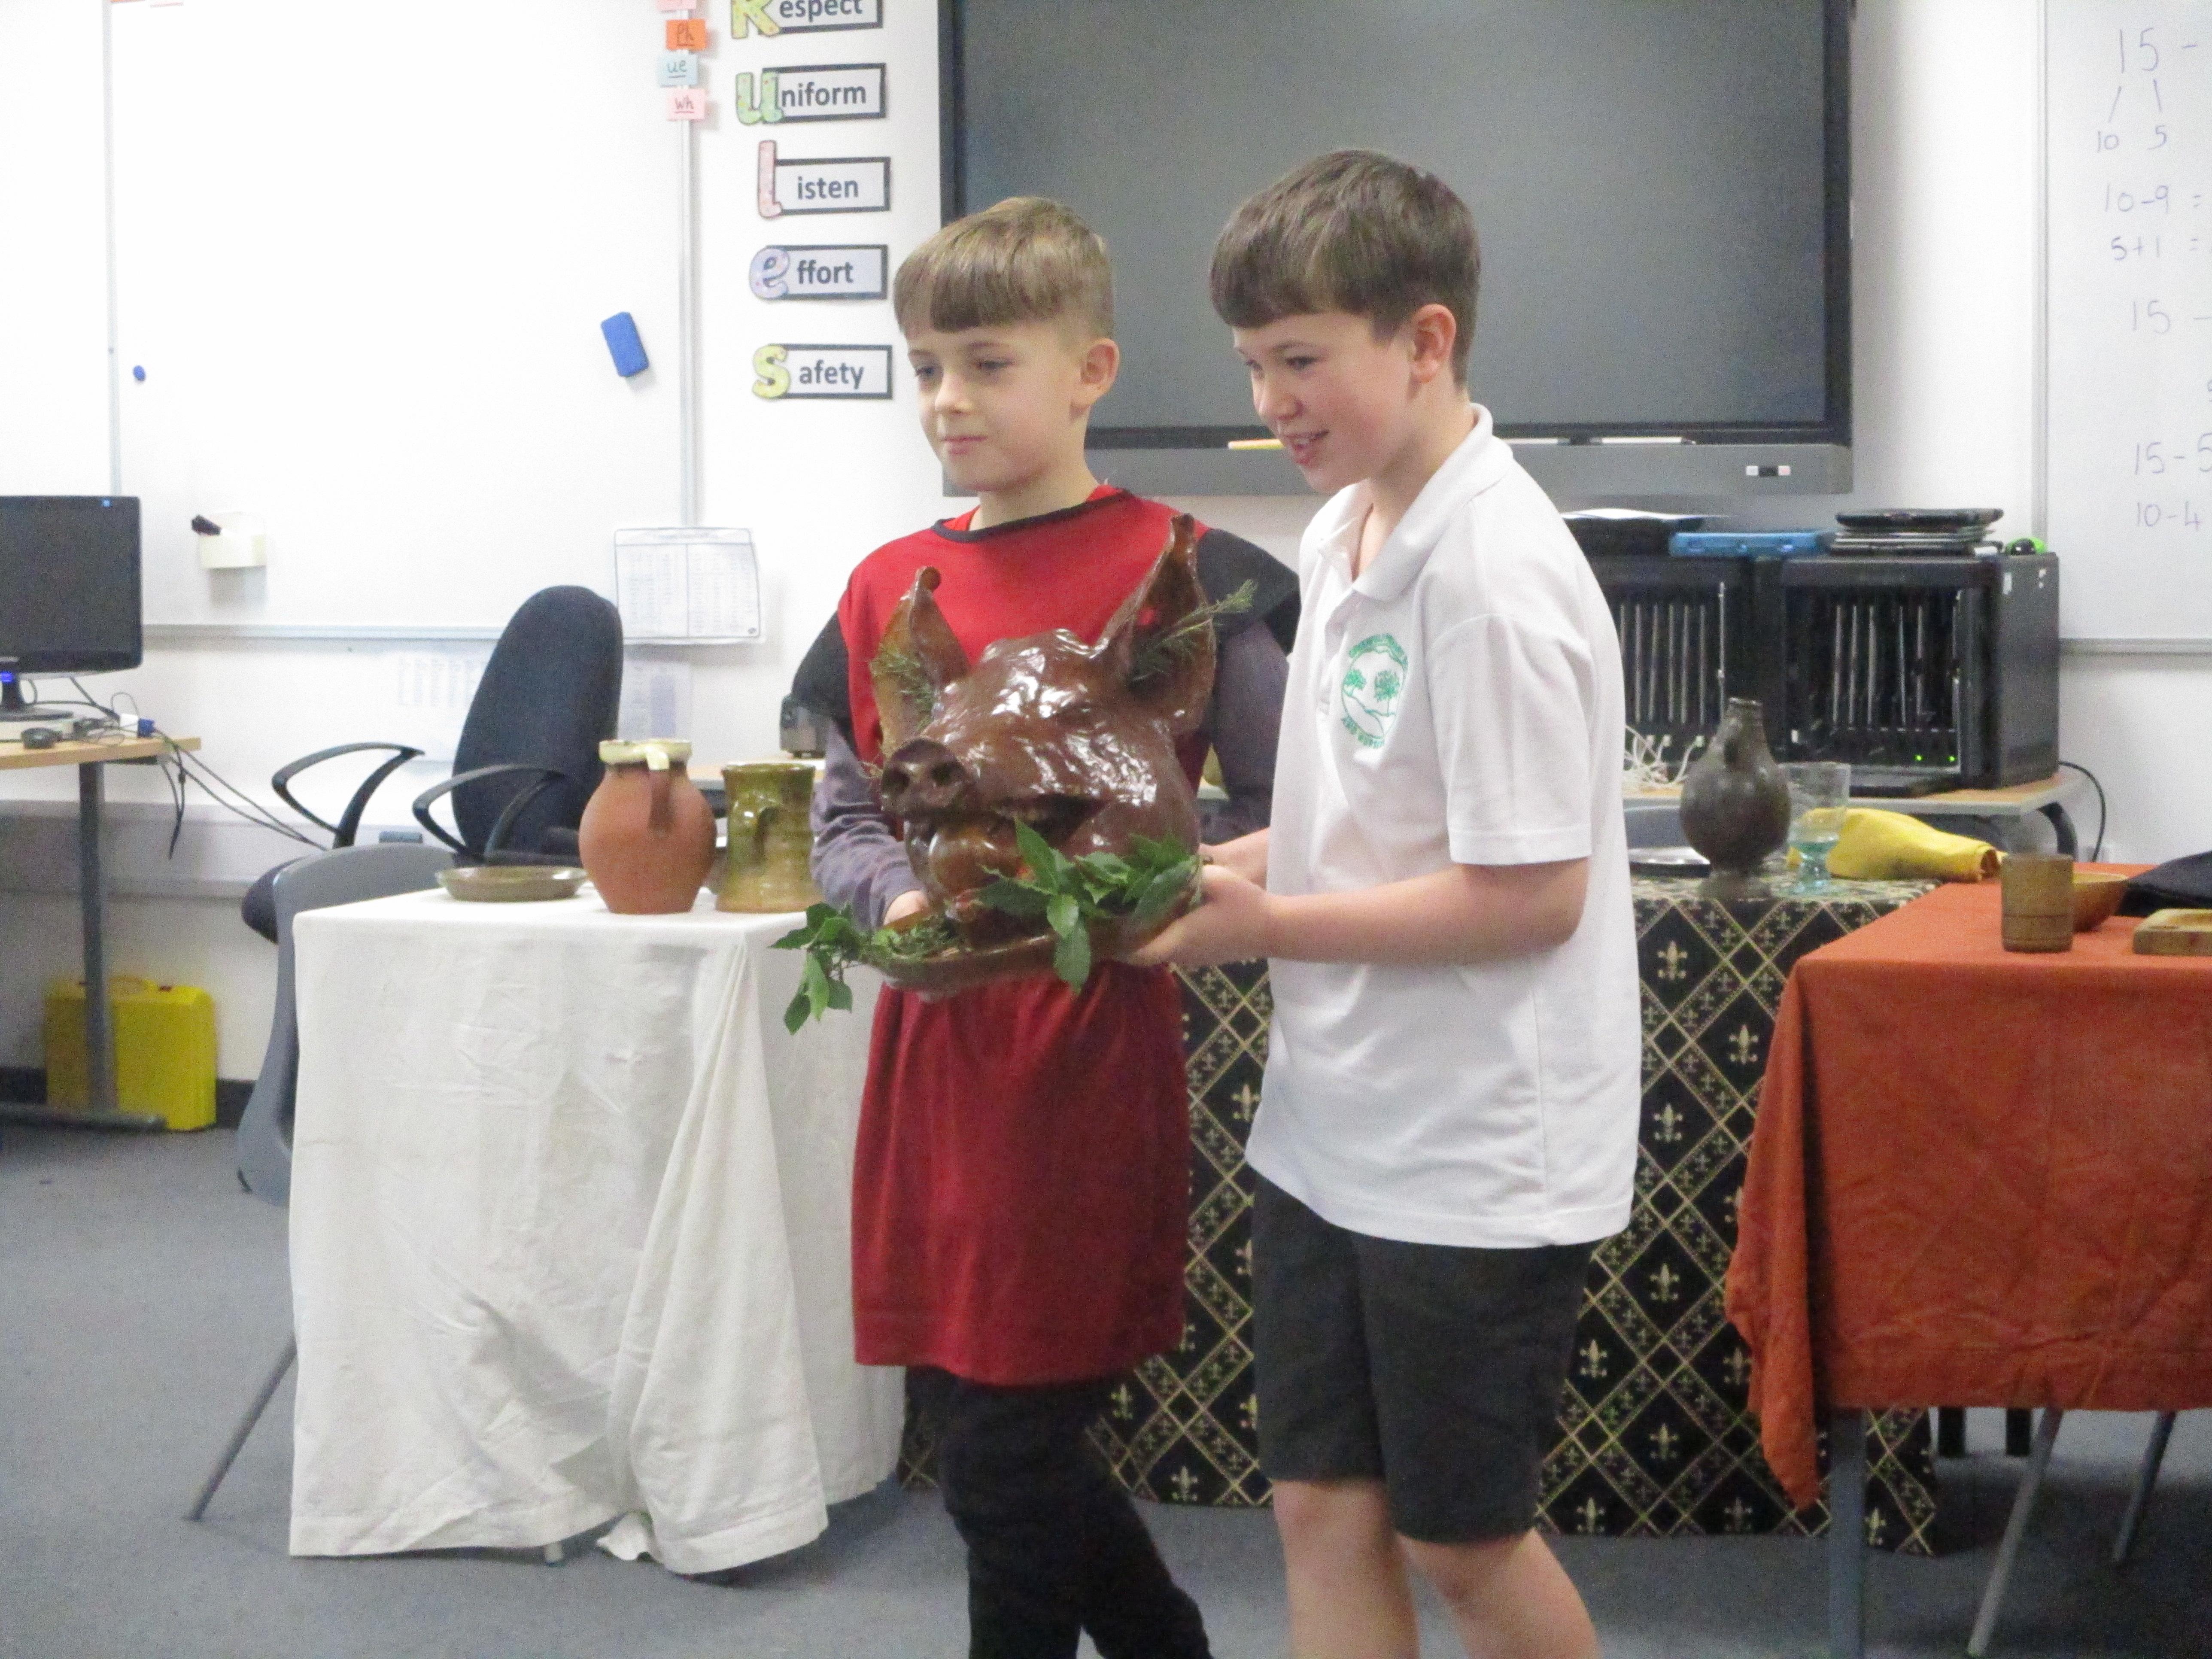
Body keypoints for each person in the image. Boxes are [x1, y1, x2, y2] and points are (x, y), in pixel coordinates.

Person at [1131, 150, 1638, 1659]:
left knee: (1462, 1542)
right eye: (1253, 365)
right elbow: (1343, 827)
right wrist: (1209, 875)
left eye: (1301, 361)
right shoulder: (1344, 530)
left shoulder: (1495, 575)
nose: (1272, 402)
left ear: (1425, 342)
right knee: (1322, 1514)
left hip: (1471, 1151)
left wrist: (1265, 926)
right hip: (1332, 1126)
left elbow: (1530, 897)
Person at [791, 194, 1295, 1659]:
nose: (948, 400)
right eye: (926, 368)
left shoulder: (1194, 569)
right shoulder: (888, 587)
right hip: (937, 1063)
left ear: (1091, 372)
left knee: (1011, 1451)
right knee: (974, 1433)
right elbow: (848, 820)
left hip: (1087, 1057)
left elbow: (1289, 807)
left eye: (988, 364)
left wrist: (1152, 887)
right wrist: (901, 899)